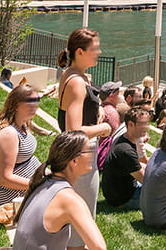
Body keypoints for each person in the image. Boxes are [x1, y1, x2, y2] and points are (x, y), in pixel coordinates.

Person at [57, 28, 112, 248]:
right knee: (81, 224)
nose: (99, 52)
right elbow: (73, 130)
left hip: (79, 156)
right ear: (80, 51)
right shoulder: (77, 82)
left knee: (78, 220)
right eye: (95, 49)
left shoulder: (74, 75)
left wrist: (96, 109)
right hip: (80, 158)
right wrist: (103, 128)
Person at [12, 131, 108, 250]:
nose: (95, 153)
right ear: (74, 161)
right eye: (89, 150)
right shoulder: (69, 199)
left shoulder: (44, 183)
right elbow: (99, 247)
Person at [0, 84, 44, 211]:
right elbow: (5, 179)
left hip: (22, 188)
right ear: (16, 105)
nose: (35, 106)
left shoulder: (21, 123)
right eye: (29, 103)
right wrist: (40, 184)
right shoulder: (8, 134)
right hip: (6, 196)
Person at [99, 106, 152, 208]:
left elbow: (138, 165)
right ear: (131, 124)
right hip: (123, 198)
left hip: (115, 193)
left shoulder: (123, 139)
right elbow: (146, 181)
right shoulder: (126, 150)